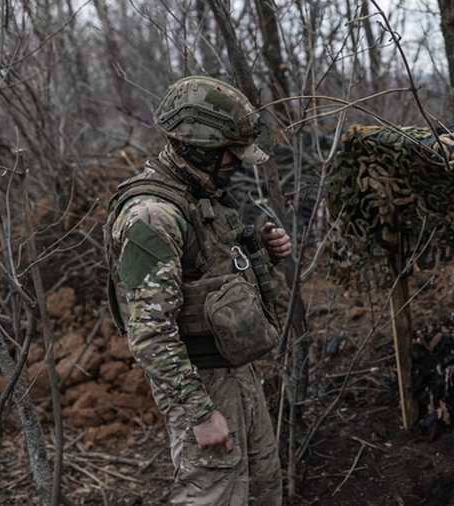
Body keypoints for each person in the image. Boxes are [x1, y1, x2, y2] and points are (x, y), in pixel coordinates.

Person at [104, 76, 293, 505]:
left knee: (264, 486)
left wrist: (262, 255)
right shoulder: (151, 216)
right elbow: (150, 335)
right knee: (215, 493)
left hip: (234, 371)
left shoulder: (198, 193)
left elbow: (210, 277)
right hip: (200, 381)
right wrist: (200, 412)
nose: (237, 164)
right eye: (230, 154)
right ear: (200, 147)